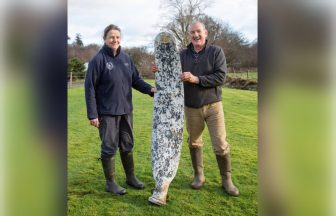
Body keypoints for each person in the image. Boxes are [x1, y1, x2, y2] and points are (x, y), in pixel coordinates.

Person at [152, 21, 239, 196]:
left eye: (198, 31)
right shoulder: (182, 55)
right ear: (189, 35)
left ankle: (226, 180)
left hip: (213, 105)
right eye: (192, 32)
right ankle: (199, 176)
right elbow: (171, 74)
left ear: (205, 33)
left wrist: (196, 79)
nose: (195, 35)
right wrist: (159, 70)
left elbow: (221, 77)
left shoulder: (216, 52)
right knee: (194, 142)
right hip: (191, 107)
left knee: (220, 144)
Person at [85, 24, 156, 195]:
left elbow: (136, 80)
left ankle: (130, 178)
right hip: (107, 112)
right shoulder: (98, 60)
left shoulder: (126, 58)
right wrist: (93, 114)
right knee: (109, 147)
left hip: (125, 111)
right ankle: (110, 183)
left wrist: (150, 90)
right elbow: (89, 89)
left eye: (117, 37)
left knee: (127, 144)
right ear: (105, 39)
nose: (115, 40)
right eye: (111, 37)